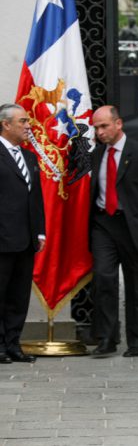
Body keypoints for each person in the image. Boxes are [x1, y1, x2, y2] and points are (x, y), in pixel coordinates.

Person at [89, 105, 138, 358]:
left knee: (137, 285)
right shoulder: (97, 154)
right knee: (103, 279)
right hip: (103, 225)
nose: (99, 132)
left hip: (133, 227)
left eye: (104, 126)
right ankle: (107, 339)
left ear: (118, 124)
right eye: (96, 127)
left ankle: (137, 342)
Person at [0, 103, 45, 364]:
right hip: (2, 240)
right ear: (6, 125)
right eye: (23, 121)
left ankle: (13, 343)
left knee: (18, 295)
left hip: (26, 240)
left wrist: (40, 232)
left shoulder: (29, 157)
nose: (28, 126)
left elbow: (35, 198)